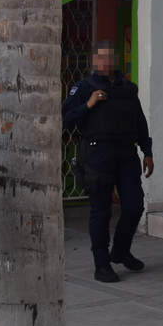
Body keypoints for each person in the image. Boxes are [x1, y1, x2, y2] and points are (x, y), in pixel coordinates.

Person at [63, 41, 154, 283]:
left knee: (134, 206)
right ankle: (101, 264)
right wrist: (88, 105)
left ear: (115, 60)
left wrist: (147, 151)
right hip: (97, 154)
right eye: (100, 58)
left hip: (126, 154)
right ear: (94, 61)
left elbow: (139, 121)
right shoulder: (84, 88)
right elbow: (65, 118)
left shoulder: (127, 89)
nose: (105, 62)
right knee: (100, 212)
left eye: (109, 57)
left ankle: (121, 251)